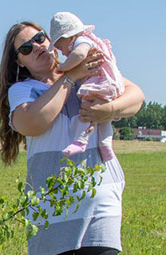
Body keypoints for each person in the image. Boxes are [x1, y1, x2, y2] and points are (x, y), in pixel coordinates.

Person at [0, 21, 145, 255]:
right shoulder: (24, 90)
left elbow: (135, 95)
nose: (37, 47)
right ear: (19, 63)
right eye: (25, 48)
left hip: (99, 189)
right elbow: (34, 122)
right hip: (50, 196)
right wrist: (68, 79)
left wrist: (109, 110)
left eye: (40, 39)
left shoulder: (91, 70)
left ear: (53, 41)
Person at [49, 11, 125, 162]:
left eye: (60, 46)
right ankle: (105, 145)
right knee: (103, 118)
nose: (62, 52)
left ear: (69, 36)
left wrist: (63, 68)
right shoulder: (91, 40)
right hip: (111, 82)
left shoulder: (81, 41)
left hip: (101, 82)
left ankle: (81, 141)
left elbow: (79, 55)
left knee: (86, 108)